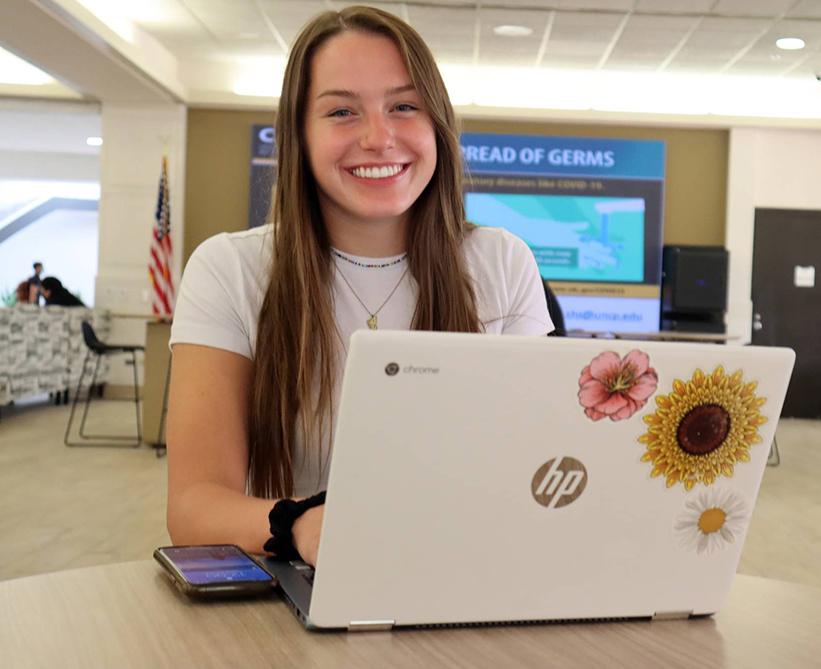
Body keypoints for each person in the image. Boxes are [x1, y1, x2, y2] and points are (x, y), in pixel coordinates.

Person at [166, 6, 553, 567]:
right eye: (342, 111)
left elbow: (529, 471)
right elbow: (193, 509)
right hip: (287, 591)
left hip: (462, 576)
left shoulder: (501, 261)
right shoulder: (229, 269)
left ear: (437, 124)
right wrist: (305, 524)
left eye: (404, 106)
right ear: (299, 132)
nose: (379, 137)